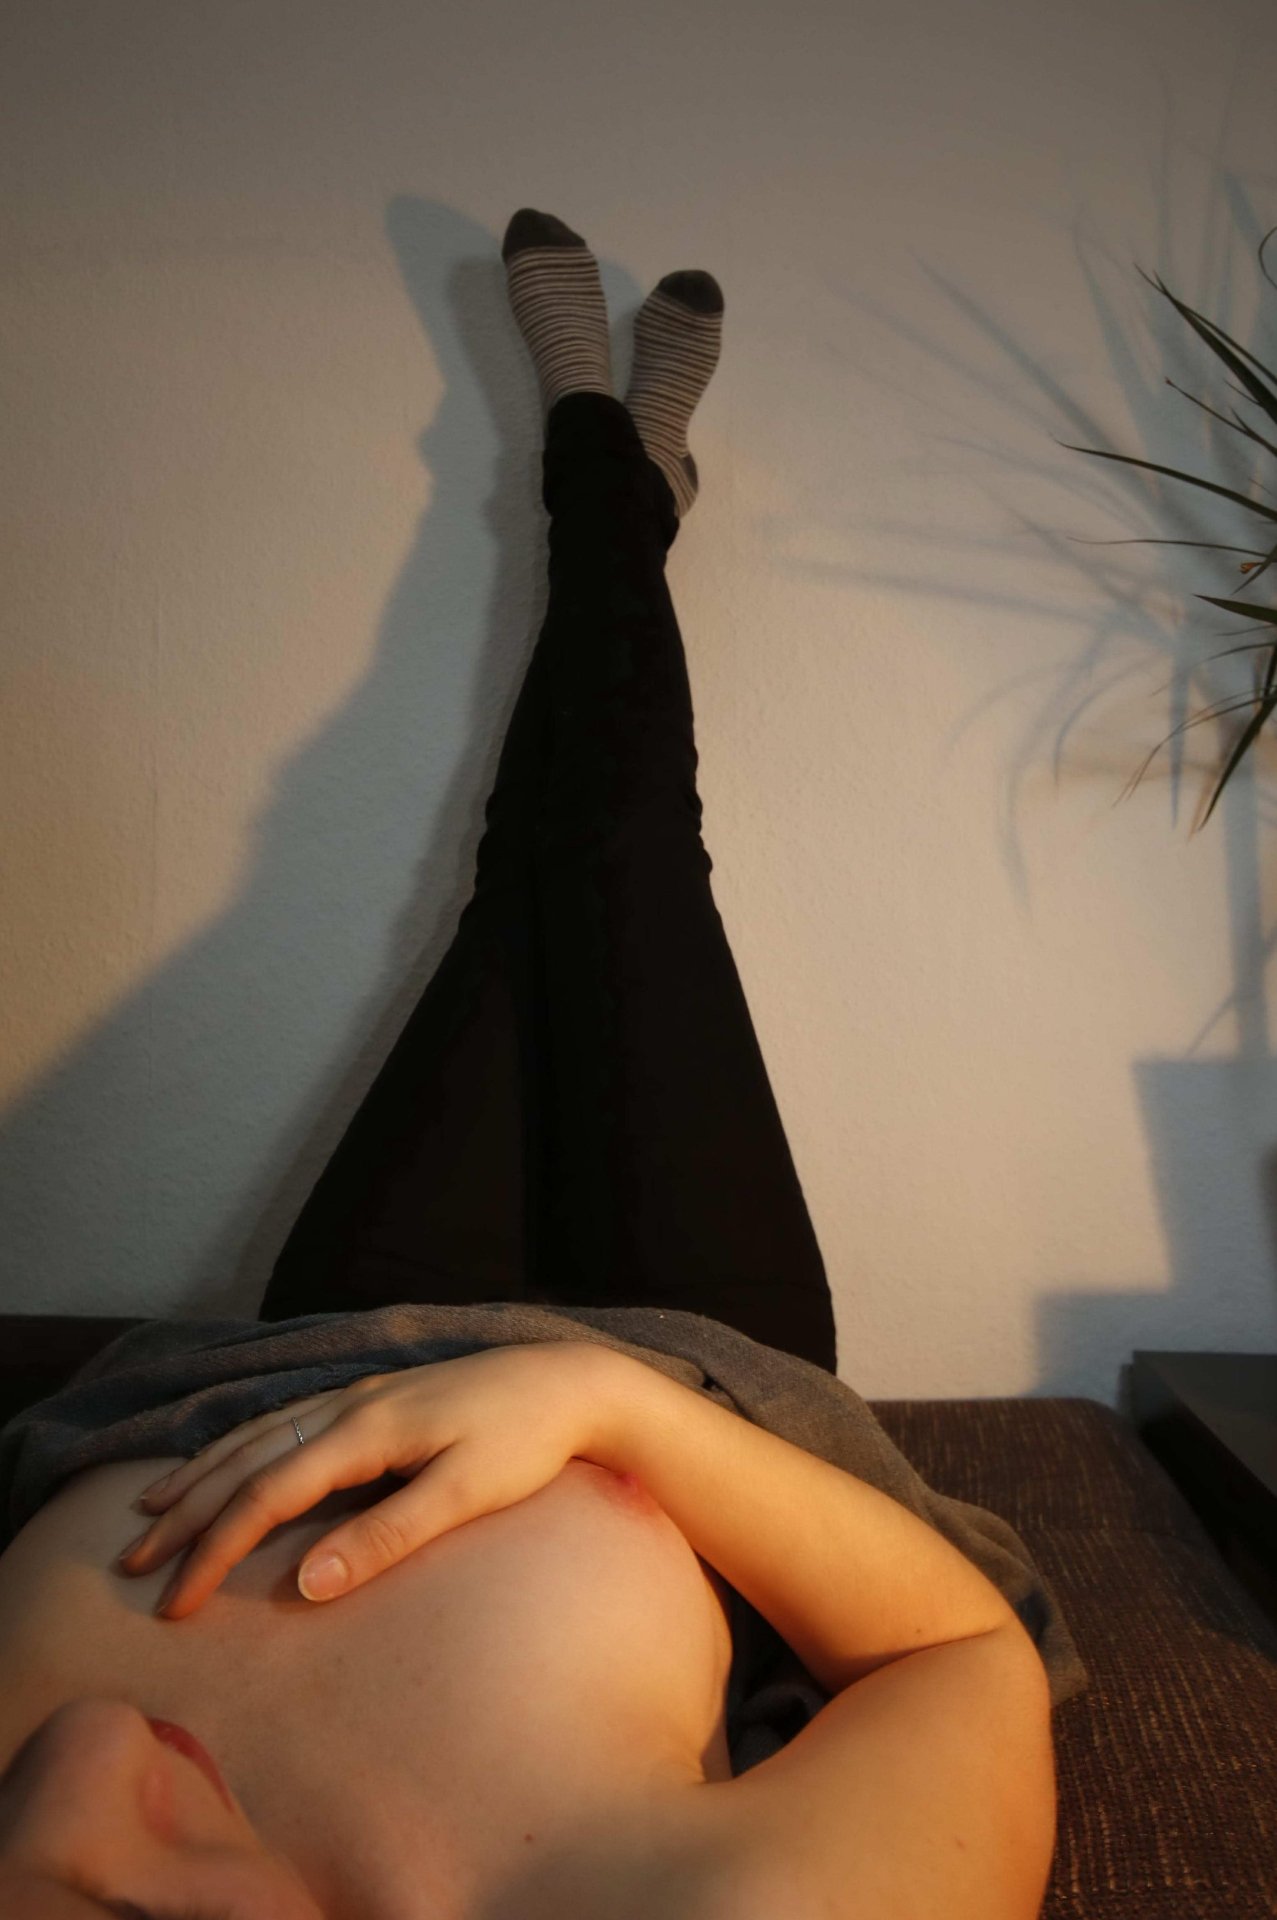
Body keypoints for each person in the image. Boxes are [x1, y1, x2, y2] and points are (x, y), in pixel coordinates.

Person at [0, 210, 1062, 1920]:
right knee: (625, 859)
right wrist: (602, 1401)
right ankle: (605, 471)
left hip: (305, 1357)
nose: (71, 1778)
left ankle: (613, 473)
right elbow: (965, 1664)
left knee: (527, 879)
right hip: (694, 1367)